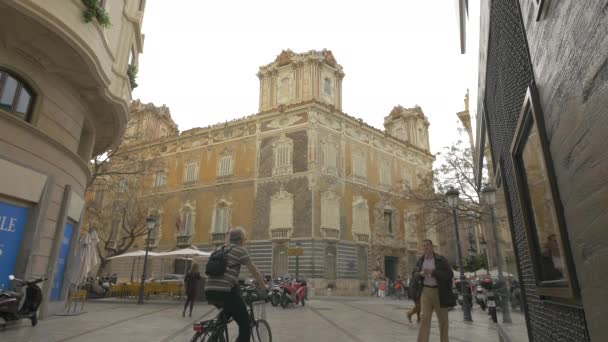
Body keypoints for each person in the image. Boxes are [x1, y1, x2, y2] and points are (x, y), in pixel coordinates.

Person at [205, 227, 268, 342]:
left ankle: (214, 336)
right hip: (225, 292)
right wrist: (263, 286)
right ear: (241, 240)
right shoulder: (240, 250)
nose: (245, 241)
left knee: (228, 312)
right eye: (245, 239)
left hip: (209, 291)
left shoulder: (220, 248)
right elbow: (254, 271)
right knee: (246, 325)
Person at [415, 239, 455, 342]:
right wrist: (420, 274)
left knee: (443, 321)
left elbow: (450, 275)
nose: (425, 247)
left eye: (427, 245)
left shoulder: (441, 259)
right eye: (423, 246)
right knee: (424, 319)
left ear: (432, 246)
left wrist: (434, 272)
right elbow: (414, 274)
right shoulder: (420, 260)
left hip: (439, 292)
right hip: (426, 291)